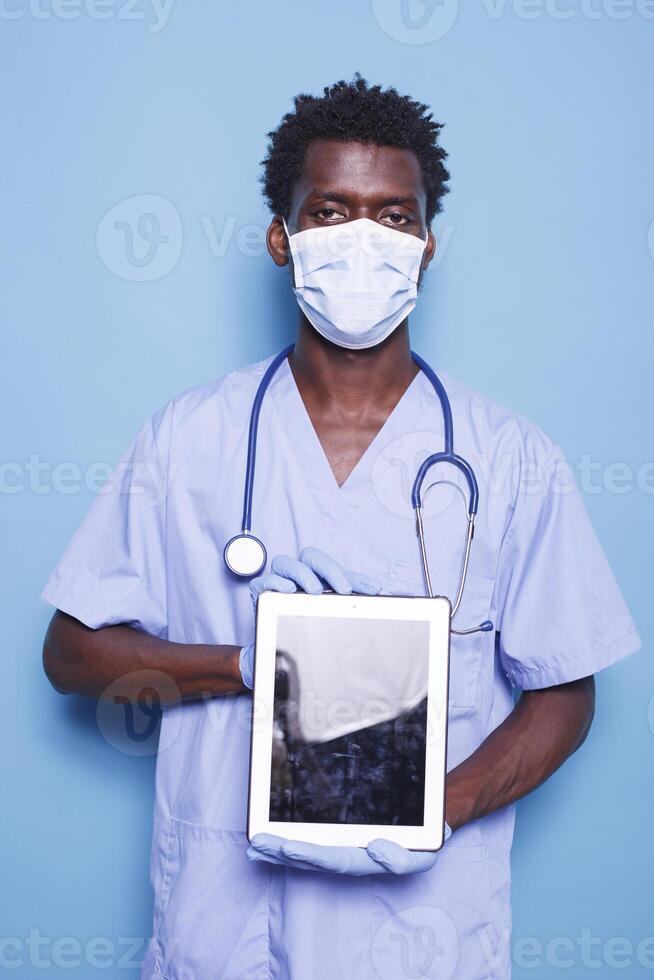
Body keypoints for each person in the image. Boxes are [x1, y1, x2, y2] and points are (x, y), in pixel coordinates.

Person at [42, 76, 640, 980]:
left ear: (428, 246)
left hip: (424, 934)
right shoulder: (189, 438)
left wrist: (443, 803)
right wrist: (246, 663)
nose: (364, 239)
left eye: (395, 216)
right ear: (282, 240)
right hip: (225, 924)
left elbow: (565, 690)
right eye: (331, 210)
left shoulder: (510, 458)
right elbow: (71, 655)